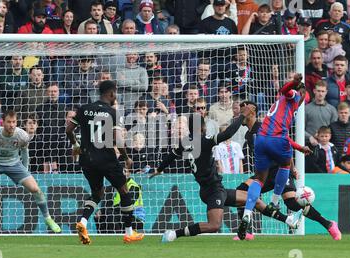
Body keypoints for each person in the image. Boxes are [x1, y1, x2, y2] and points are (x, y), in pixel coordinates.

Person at [150, 102, 255, 243]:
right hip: (213, 189)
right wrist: (242, 115)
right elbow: (228, 133)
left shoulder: (185, 142)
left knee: (252, 199)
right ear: (203, 126)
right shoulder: (204, 141)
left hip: (213, 188)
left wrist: (159, 169)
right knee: (214, 225)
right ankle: (174, 234)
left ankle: (283, 220)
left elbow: (172, 155)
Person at [66, 80, 144, 244]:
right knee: (124, 191)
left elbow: (68, 129)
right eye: (115, 93)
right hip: (107, 159)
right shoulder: (112, 113)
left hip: (87, 159)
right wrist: (126, 157)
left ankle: (83, 222)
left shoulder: (84, 109)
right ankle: (129, 233)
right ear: (111, 93)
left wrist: (75, 145)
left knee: (97, 194)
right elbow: (118, 139)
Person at [236, 74, 306, 240]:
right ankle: (274, 202)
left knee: (257, 182)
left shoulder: (278, 111)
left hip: (264, 148)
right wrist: (294, 83)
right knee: (284, 165)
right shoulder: (292, 97)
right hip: (276, 152)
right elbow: (285, 90)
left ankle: (247, 213)